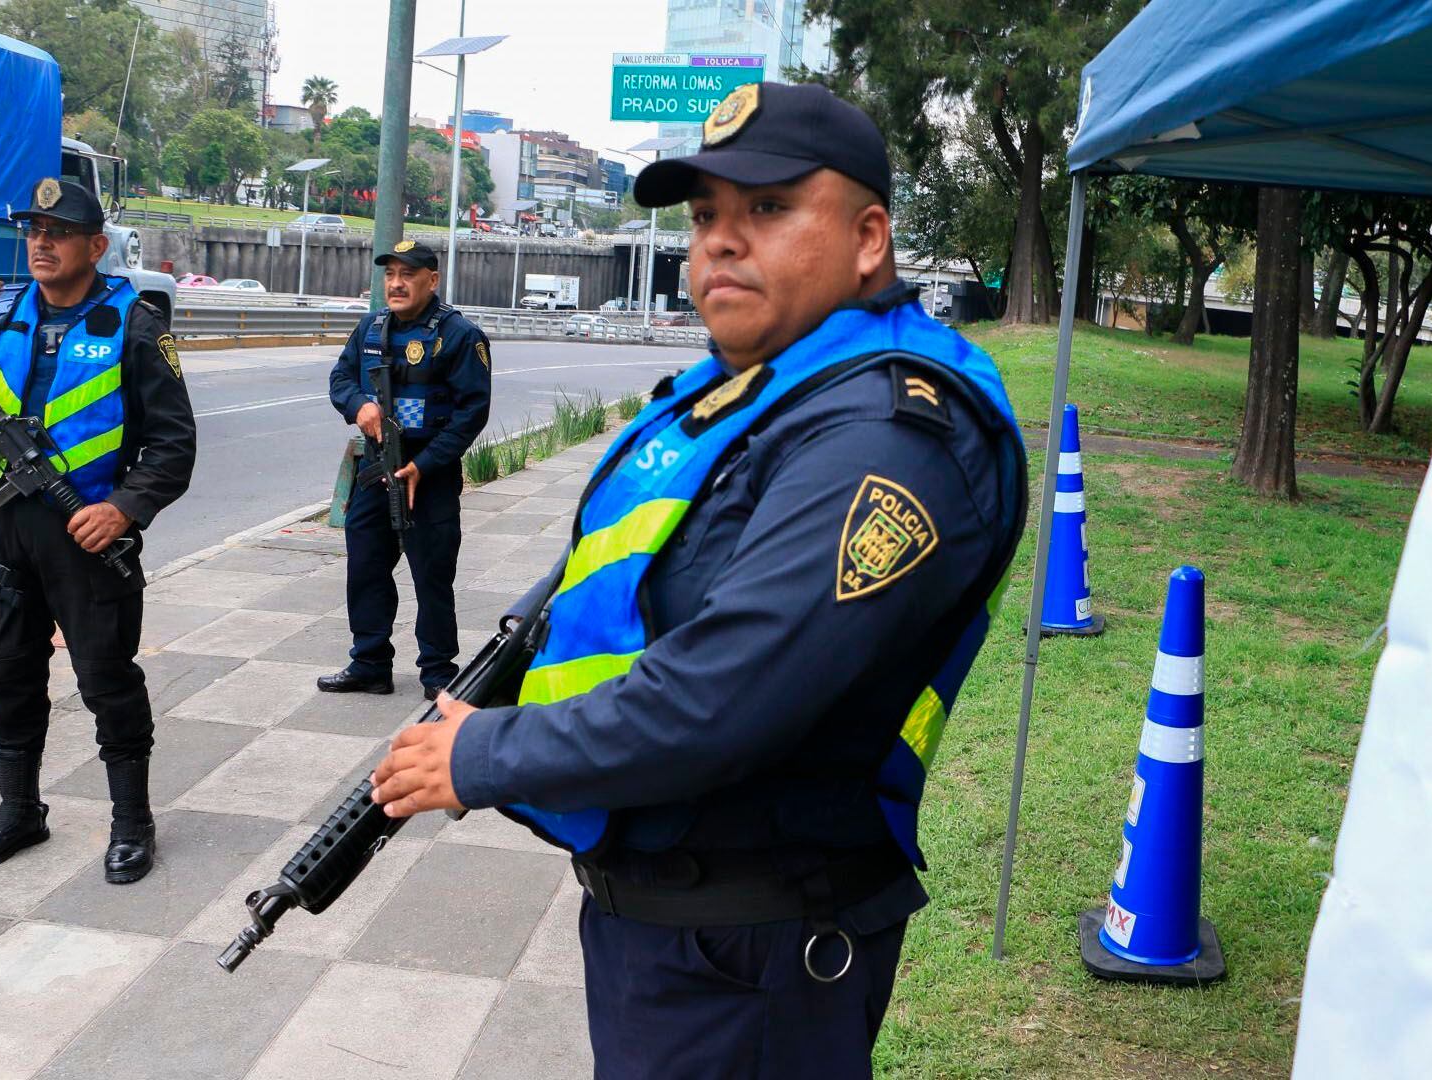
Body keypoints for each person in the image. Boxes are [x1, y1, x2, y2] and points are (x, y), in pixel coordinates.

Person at [366, 83, 1029, 1077]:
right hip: (677, 931)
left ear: (868, 239)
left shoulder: (890, 436)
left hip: (757, 955)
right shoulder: (762, 392)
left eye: (767, 209)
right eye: (706, 216)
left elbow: (726, 693)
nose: (720, 241)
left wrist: (487, 753)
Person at [0, 178, 195, 884]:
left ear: (96, 246)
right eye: (33, 231)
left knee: (107, 679)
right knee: (7, 674)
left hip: (86, 534)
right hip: (2, 533)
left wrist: (125, 509)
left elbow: (173, 447)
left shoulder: (137, 325)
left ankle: (132, 823)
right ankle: (19, 813)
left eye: (59, 232)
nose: (41, 243)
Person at [320, 242, 491, 700]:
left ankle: (438, 671)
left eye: (408, 274)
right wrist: (360, 407)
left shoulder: (459, 335)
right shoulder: (370, 328)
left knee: (432, 574)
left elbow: (471, 413)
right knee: (367, 566)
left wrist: (424, 464)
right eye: (390, 274)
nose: (396, 283)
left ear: (431, 280)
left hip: (429, 473)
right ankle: (370, 662)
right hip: (377, 467)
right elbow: (340, 380)